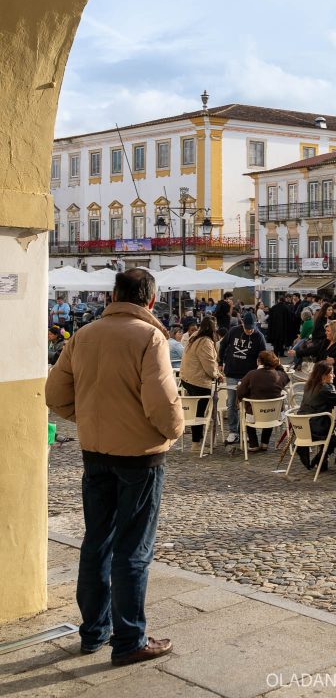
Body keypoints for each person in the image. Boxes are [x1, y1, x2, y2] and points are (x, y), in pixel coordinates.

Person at [44, 268, 183, 664]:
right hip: (140, 457)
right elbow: (163, 405)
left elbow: (54, 394)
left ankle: (93, 632)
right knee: (133, 549)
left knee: (97, 541)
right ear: (151, 300)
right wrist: (172, 432)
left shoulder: (84, 335)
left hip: (95, 454)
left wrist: (86, 417)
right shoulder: (150, 336)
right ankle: (129, 640)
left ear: (113, 296)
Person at [219, 311, 267, 444]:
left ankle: (244, 430)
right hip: (232, 372)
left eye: (251, 328)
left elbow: (263, 355)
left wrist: (260, 369)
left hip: (248, 375)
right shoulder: (234, 331)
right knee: (231, 403)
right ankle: (233, 431)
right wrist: (219, 363)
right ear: (242, 324)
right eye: (247, 328)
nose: (249, 331)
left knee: (247, 404)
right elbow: (222, 346)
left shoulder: (259, 336)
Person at [179, 316, 223, 451]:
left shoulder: (195, 337)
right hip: (197, 380)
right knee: (199, 413)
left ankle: (198, 441)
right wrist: (217, 374)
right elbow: (209, 364)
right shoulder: (205, 342)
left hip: (187, 378)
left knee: (196, 412)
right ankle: (196, 443)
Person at [297, 361, 336, 471]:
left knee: (332, 429)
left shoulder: (309, 385)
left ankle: (322, 461)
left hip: (303, 427)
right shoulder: (326, 388)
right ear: (323, 375)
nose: (334, 376)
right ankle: (320, 458)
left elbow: (323, 398)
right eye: (332, 373)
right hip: (317, 427)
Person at [236, 351, 290, 452]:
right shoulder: (279, 375)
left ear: (258, 361)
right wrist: (279, 365)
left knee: (246, 409)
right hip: (274, 414)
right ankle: (265, 442)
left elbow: (240, 392)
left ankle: (253, 443)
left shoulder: (251, 375)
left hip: (254, 414)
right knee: (270, 405)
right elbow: (286, 377)